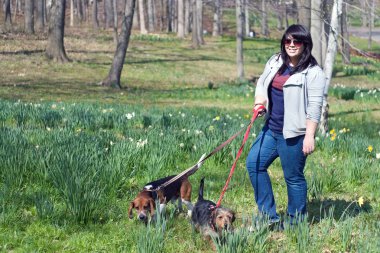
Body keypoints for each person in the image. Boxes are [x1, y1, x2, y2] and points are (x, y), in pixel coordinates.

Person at [246, 24, 326, 228]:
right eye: (287, 40)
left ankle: (295, 221)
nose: (291, 45)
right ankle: (268, 216)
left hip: (294, 134)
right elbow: (262, 84)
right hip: (271, 128)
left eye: (296, 41)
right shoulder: (275, 61)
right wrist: (259, 102)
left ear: (305, 44)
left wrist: (310, 135)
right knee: (254, 164)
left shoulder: (314, 73)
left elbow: (315, 106)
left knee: (293, 177)